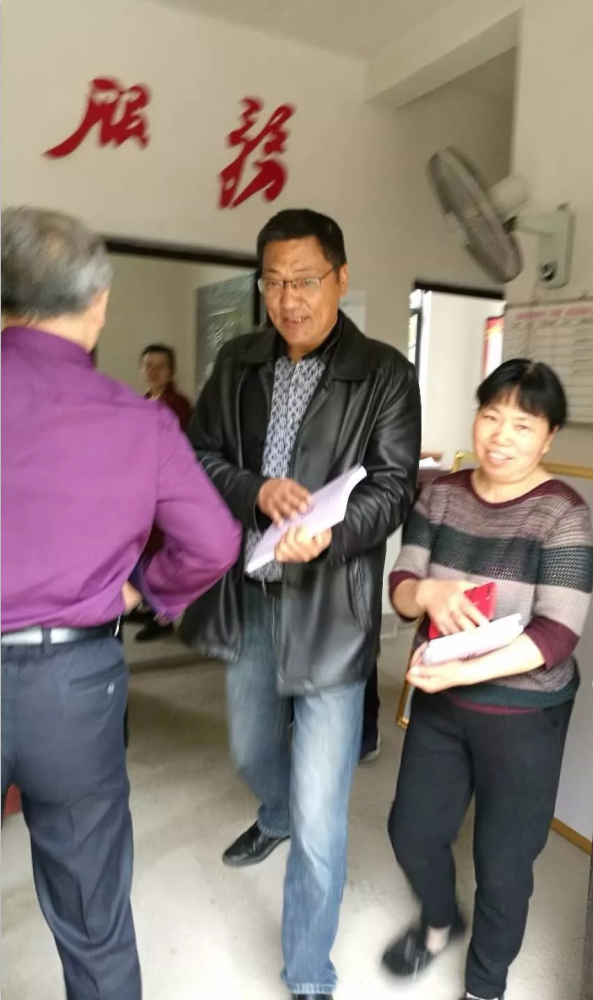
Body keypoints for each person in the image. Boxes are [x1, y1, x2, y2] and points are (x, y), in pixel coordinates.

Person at [179, 208, 421, 1000]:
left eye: (306, 280)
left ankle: (308, 973)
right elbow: (199, 455)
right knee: (252, 752)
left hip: (331, 610)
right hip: (254, 596)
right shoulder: (239, 360)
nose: (289, 299)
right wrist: (255, 490)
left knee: (323, 813)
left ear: (340, 279)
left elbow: (394, 487)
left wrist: (333, 535)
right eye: (275, 282)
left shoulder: (383, 373)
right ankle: (272, 813)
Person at [1, 206, 241, 1000]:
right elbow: (213, 543)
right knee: (93, 911)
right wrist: (145, 589)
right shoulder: (137, 421)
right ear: (99, 303)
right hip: (73, 685)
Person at [382, 360, 593, 1000]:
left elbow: (556, 636)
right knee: (412, 833)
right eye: (491, 416)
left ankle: (485, 984)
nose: (501, 435)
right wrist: (427, 592)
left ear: (549, 437)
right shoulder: (442, 494)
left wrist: (465, 671)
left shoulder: (563, 513)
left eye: (523, 424)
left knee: (504, 864)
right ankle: (439, 921)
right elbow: (402, 587)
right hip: (441, 704)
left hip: (525, 716)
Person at [130, 343, 195, 642]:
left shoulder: (178, 405)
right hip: (143, 490)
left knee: (162, 555)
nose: (153, 371)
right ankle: (148, 604)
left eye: (160, 366)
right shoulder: (143, 401)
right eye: (148, 366)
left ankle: (163, 616)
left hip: (167, 491)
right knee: (142, 550)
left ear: (171, 371)